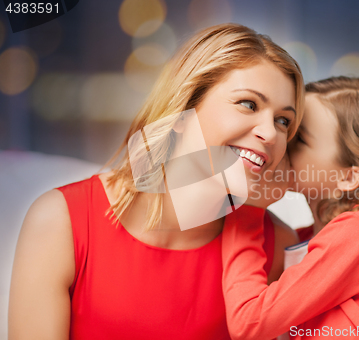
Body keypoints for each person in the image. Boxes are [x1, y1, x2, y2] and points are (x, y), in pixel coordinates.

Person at [8, 23, 304, 339]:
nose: (271, 133)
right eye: (249, 104)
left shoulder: (277, 248)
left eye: (283, 121)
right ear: (182, 109)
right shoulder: (61, 222)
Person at [221, 76, 359, 339]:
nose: (279, 140)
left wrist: (246, 209)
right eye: (285, 125)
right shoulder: (307, 239)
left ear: (348, 177)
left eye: (298, 138)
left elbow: (250, 323)